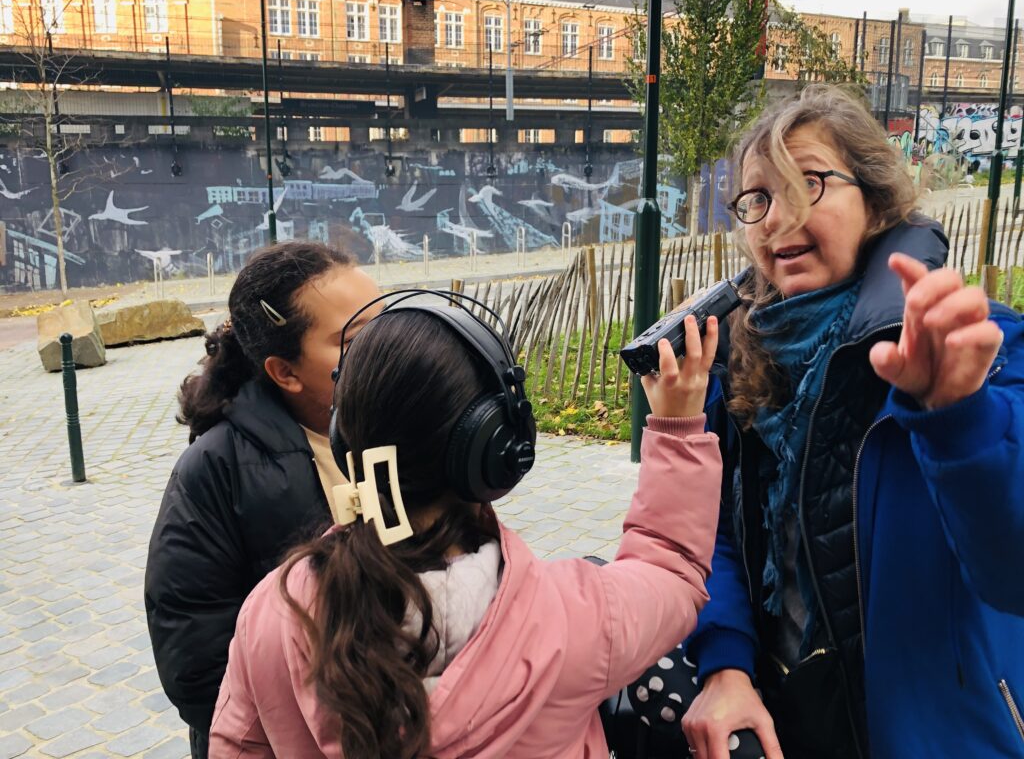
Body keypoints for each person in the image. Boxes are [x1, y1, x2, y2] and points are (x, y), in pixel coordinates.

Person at [629, 84, 1024, 758]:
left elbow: (1011, 570)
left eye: (808, 183)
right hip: (785, 721)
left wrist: (958, 419)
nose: (777, 217)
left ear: (875, 200)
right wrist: (726, 666)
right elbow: (715, 530)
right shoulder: (741, 357)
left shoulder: (974, 349)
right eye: (758, 198)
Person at [208, 299, 723, 758]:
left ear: (346, 435)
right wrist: (676, 428)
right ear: (495, 449)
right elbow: (672, 570)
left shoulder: (274, 611)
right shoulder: (576, 618)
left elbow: (239, 744)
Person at [144, 241, 382, 758]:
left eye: (387, 324)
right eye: (356, 339)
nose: (387, 348)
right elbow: (196, 661)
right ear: (284, 372)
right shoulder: (213, 471)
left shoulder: (403, 429)